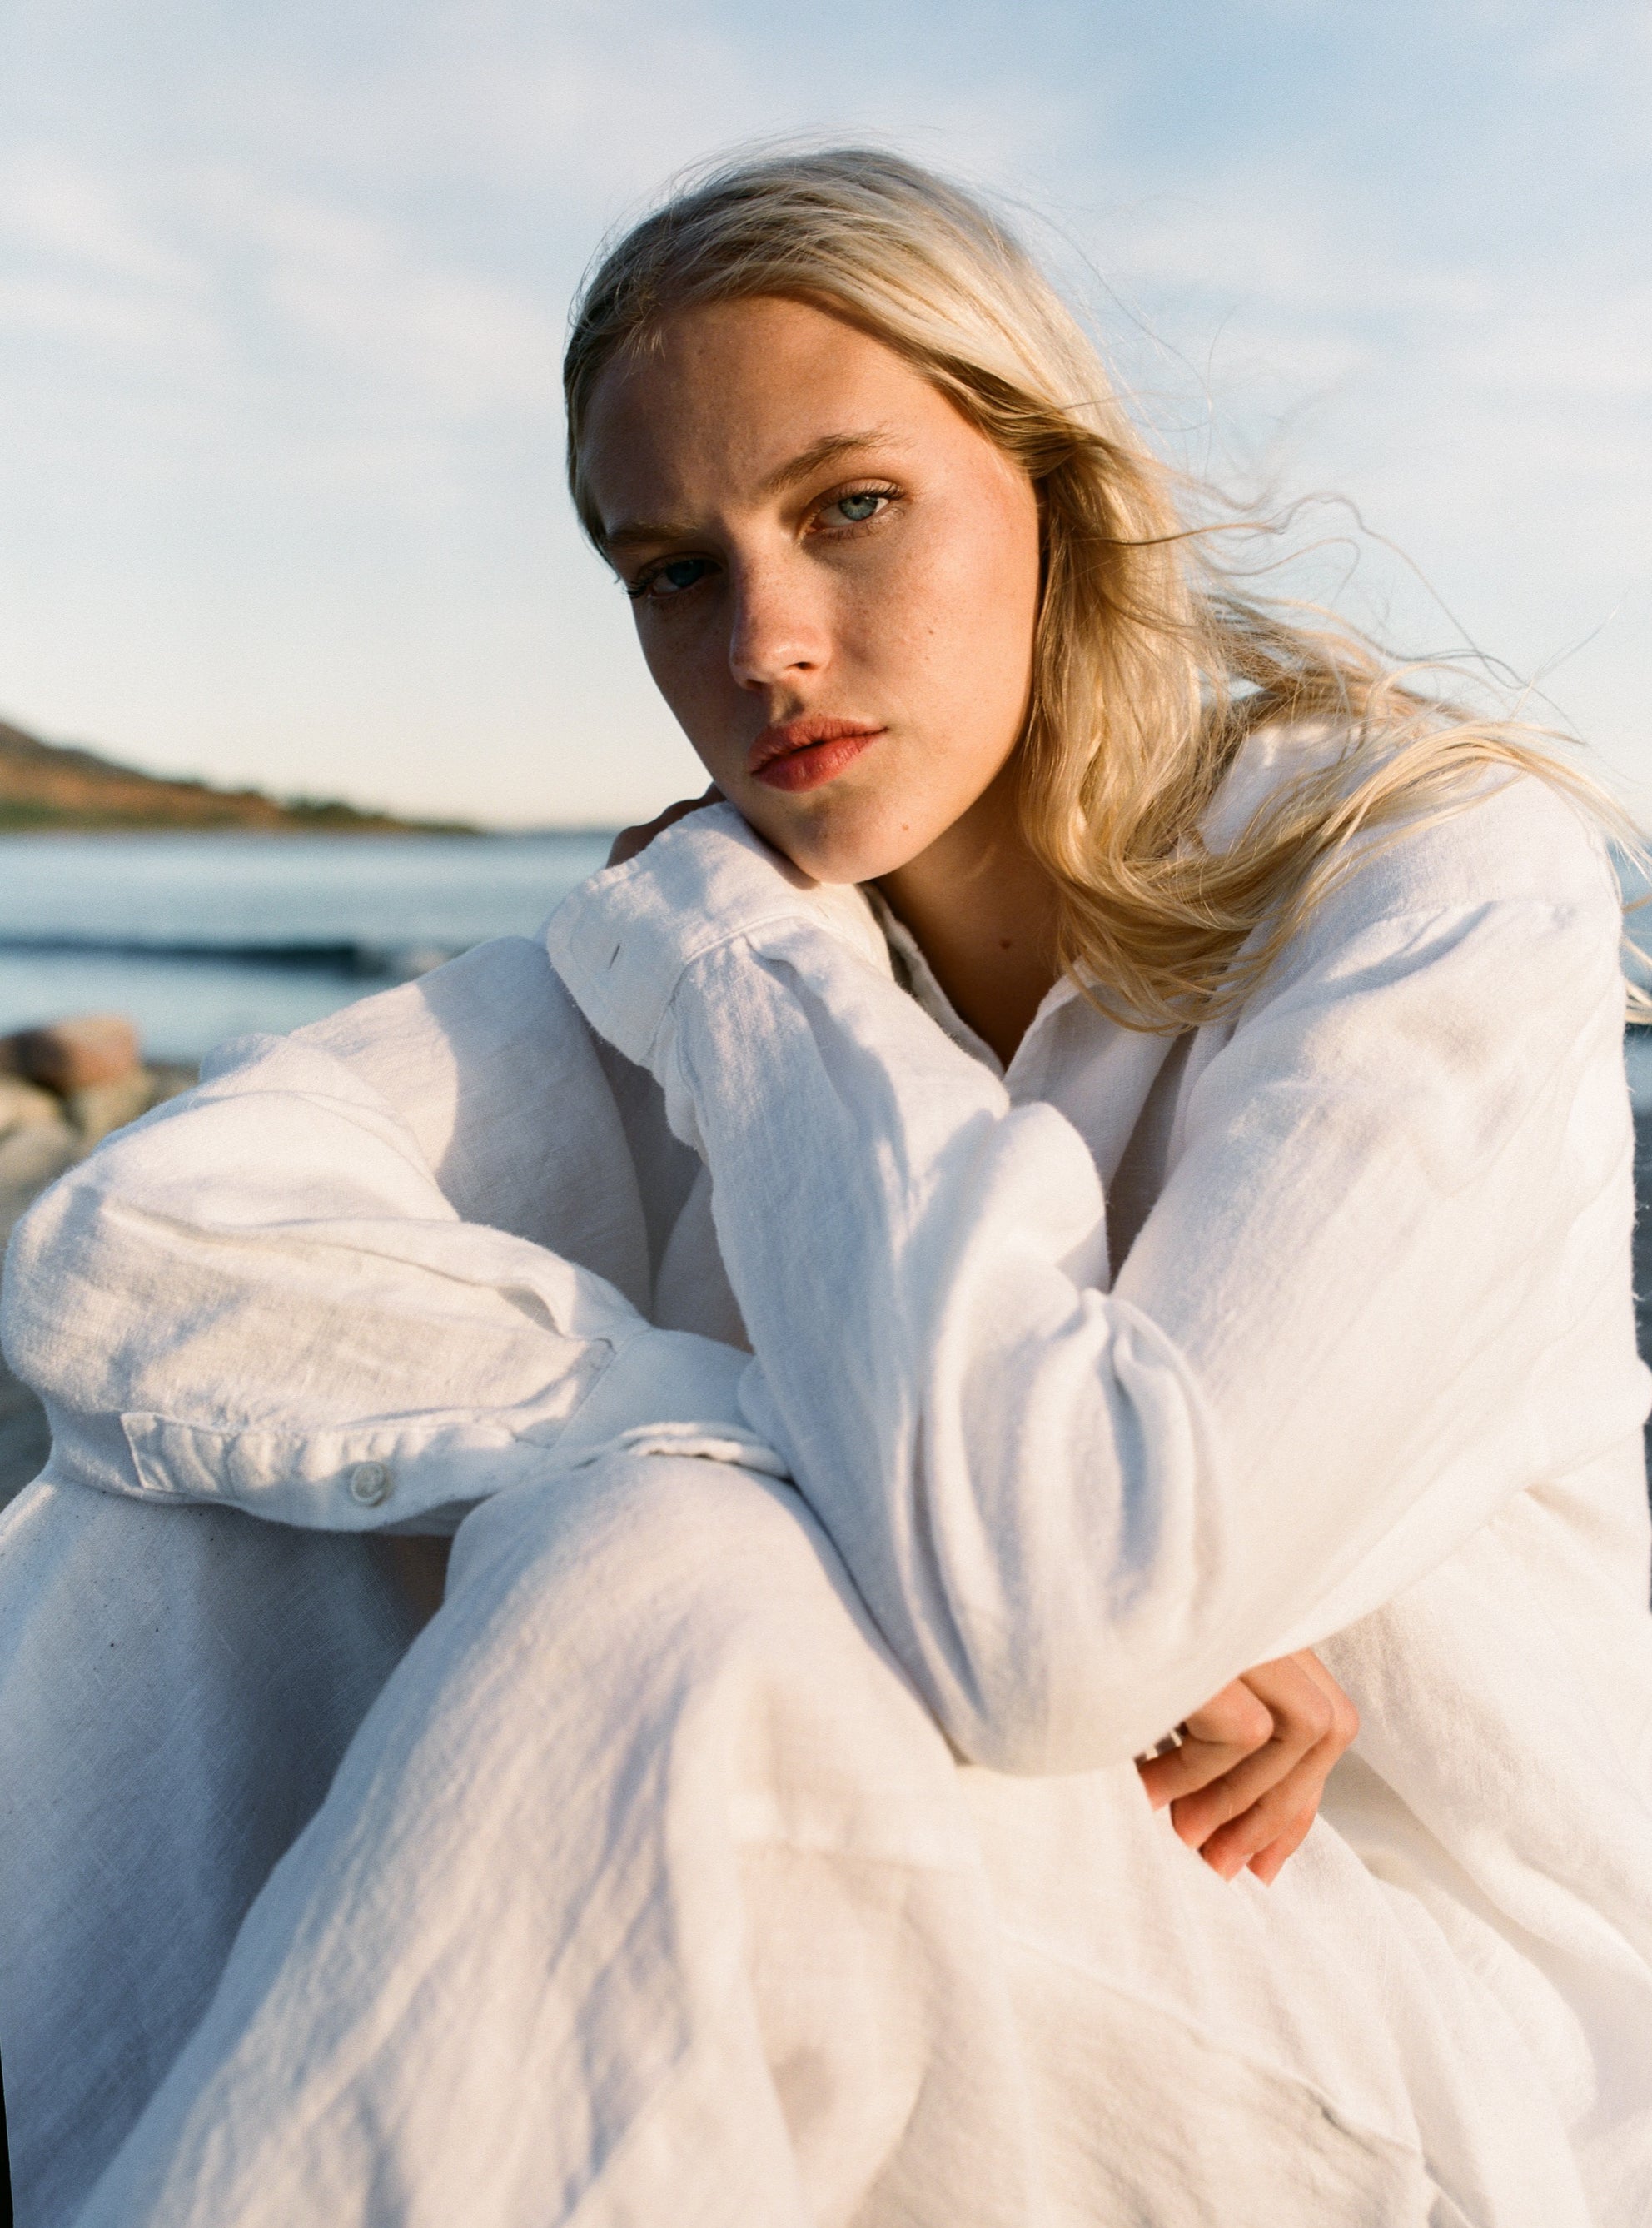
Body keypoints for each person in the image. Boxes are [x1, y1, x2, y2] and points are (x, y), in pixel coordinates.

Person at [2, 146, 1650, 2227]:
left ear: (1047, 489)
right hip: (979, 1914)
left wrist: (738, 965)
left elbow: (1070, 1612)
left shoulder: (1420, 889)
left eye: (846, 510)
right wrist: (781, 1434)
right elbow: (123, 1252)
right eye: (671, 569)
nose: (763, 639)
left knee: (679, 1585)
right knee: (216, 1524)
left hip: (1429, 2043)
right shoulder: (739, 949)